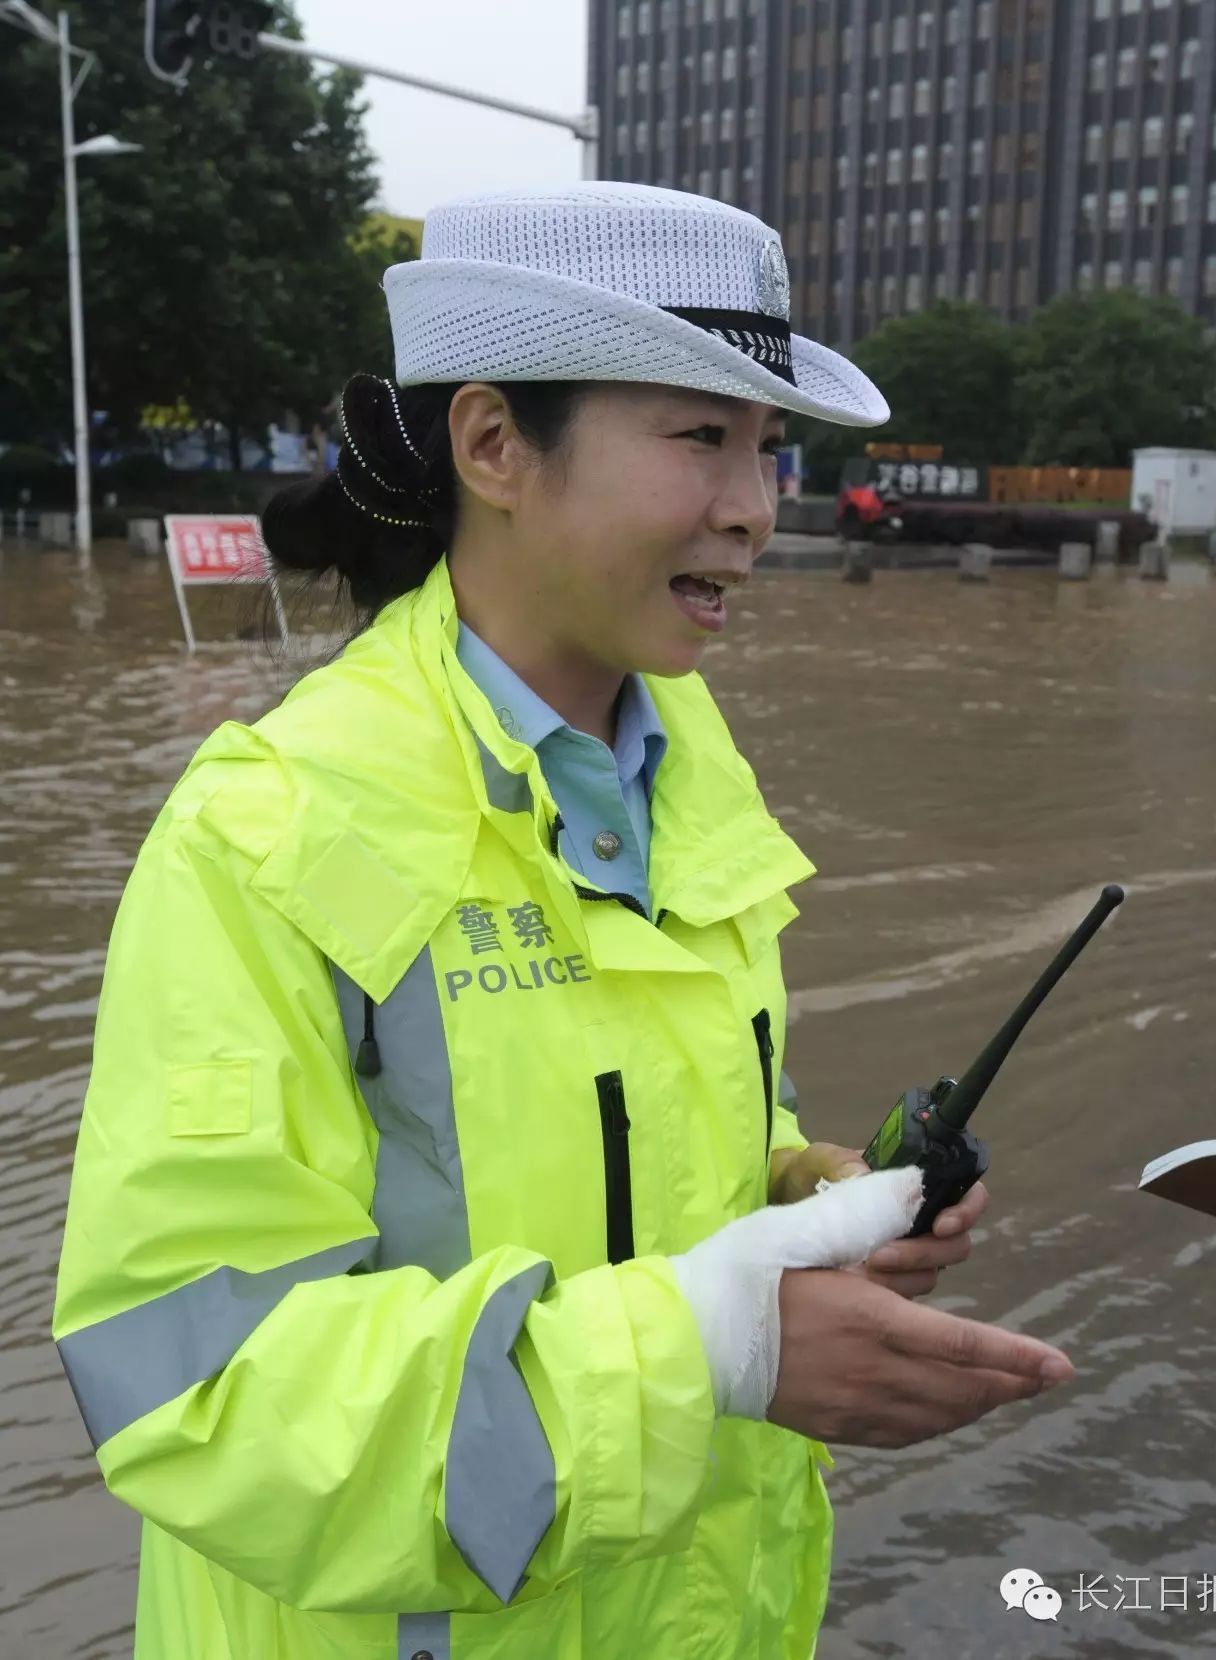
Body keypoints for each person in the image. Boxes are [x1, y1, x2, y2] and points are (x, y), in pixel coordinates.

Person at [52, 183, 1073, 1660]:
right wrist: (723, 1349)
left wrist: (802, 1190)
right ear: (491, 445)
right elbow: (203, 1399)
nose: (754, 508)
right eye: (700, 437)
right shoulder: (271, 834)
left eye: (769, 449)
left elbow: (654, 1133)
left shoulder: (695, 769)